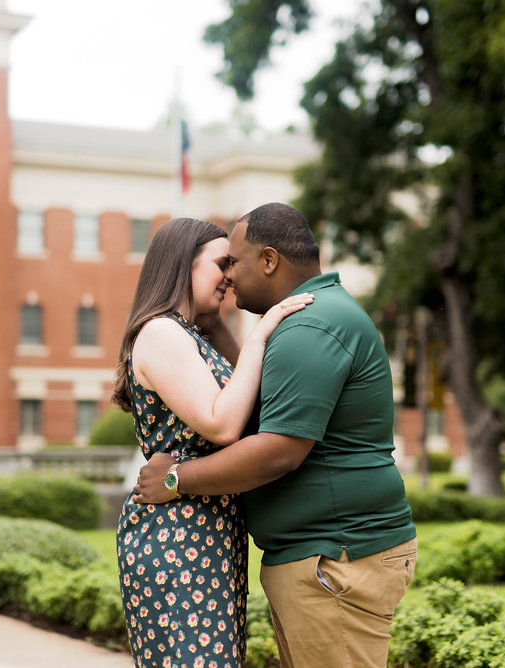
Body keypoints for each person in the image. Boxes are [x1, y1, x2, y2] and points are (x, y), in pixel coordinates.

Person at [132, 203, 417, 668]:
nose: (229, 276)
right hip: (326, 556)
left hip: (335, 555)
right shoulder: (309, 320)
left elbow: (279, 449)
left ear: (268, 261)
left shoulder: (310, 325)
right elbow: (255, 399)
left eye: (234, 262)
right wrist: (220, 327)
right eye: (219, 265)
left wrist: (175, 479)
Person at [112, 216, 313, 668]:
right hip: (177, 533)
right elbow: (223, 424)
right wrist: (261, 331)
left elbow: (254, 406)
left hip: (206, 528)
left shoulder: (190, 335)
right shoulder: (162, 332)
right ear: (184, 263)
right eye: (221, 263)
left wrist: (219, 323)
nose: (231, 274)